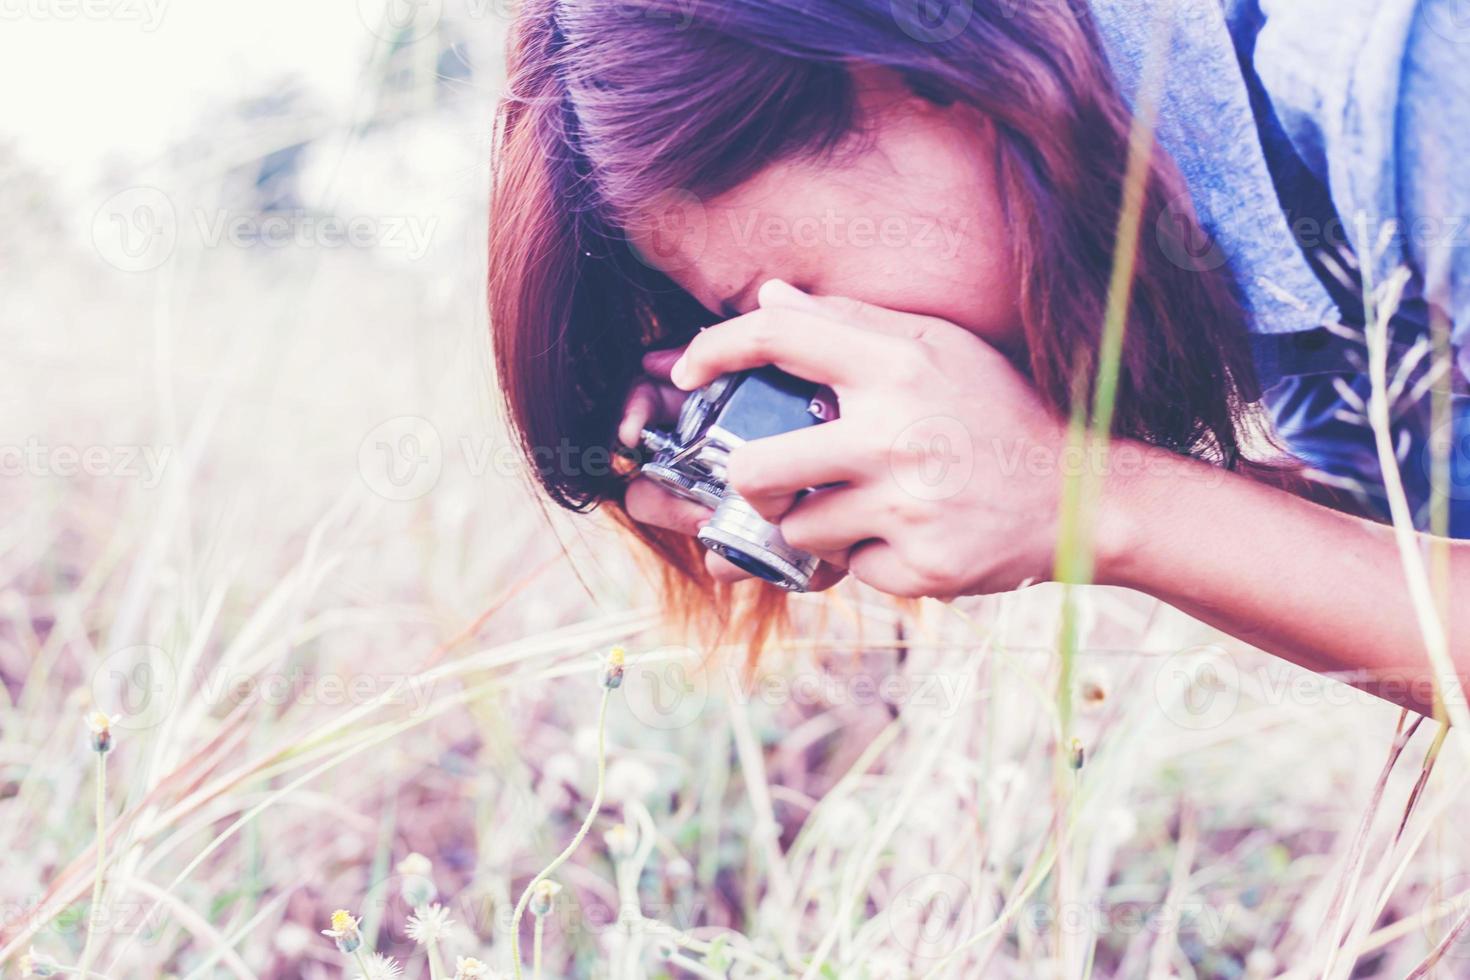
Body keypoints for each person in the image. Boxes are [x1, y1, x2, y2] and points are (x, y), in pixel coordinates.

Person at [487, 0, 1469, 716]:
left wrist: (1096, 500)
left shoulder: (1416, 82)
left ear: (929, 75)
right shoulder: (1261, 262)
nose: (830, 364)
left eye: (781, 301)